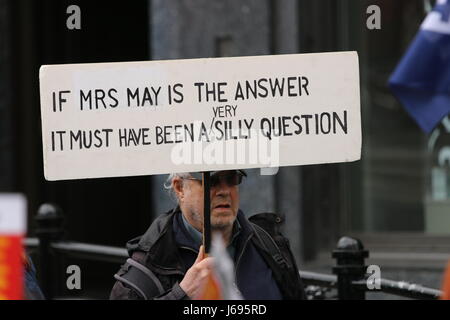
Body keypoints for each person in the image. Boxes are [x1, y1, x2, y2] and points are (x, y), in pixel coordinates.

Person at [110, 170, 306, 300]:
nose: (224, 191)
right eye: (211, 181)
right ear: (180, 188)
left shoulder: (270, 245)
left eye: (231, 179)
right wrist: (181, 294)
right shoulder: (142, 273)